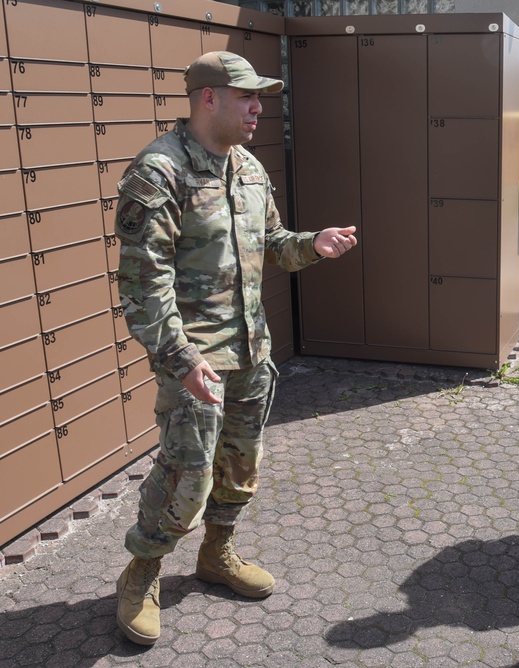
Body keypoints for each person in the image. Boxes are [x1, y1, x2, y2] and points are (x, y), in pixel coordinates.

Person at [113, 51, 358, 646]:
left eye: (260, 99)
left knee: (240, 469)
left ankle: (216, 555)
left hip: (252, 355)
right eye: (247, 97)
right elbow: (145, 283)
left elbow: (271, 241)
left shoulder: (247, 167)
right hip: (195, 361)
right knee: (182, 475)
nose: (257, 108)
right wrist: (180, 359)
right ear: (208, 99)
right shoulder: (158, 172)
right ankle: (141, 571)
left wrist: (312, 244)